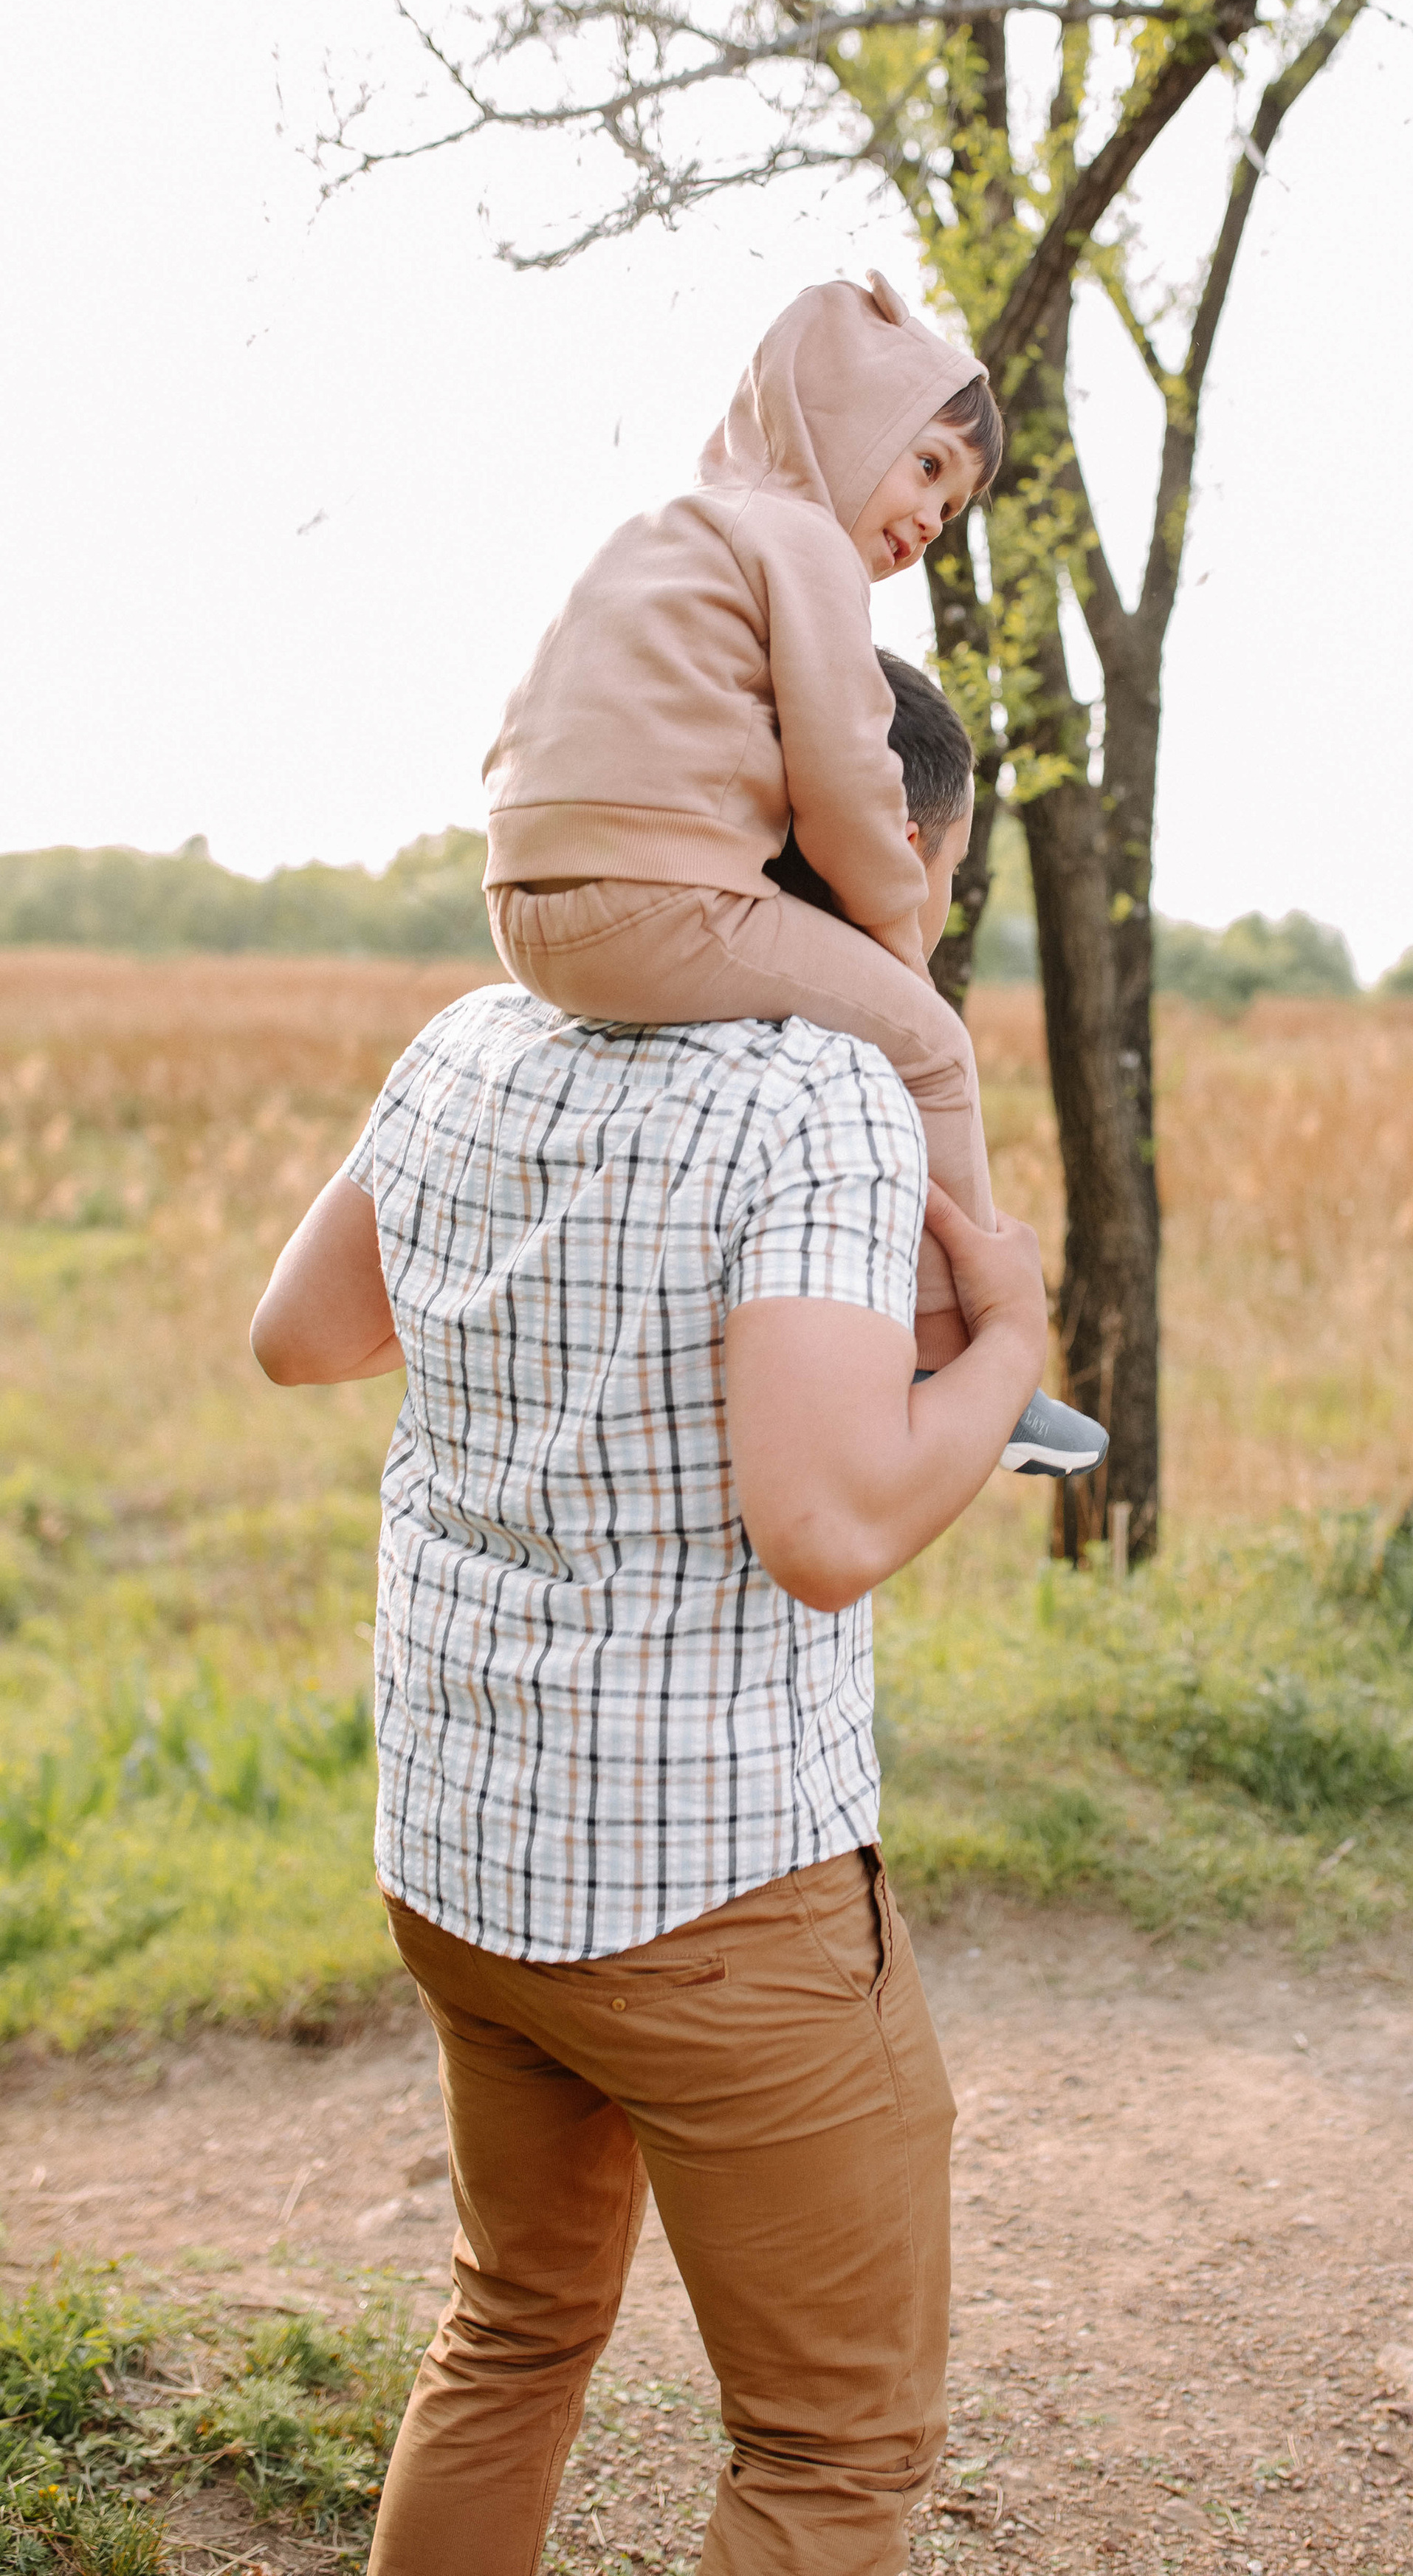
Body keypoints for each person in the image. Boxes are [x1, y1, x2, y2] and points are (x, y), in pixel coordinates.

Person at [247, 721, 1051, 2574]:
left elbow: (303, 1334)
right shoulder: (823, 1092)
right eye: (937, 873)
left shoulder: (471, 1036)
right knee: (831, 2446)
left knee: (512, 2325)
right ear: (885, 851)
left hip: (462, 1859)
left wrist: (560, 1331)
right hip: (711, 1894)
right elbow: (827, 1530)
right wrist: (1006, 1343)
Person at [481, 267, 1104, 1480]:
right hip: (662, 902)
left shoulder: (661, 535)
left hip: (524, 905)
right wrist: (899, 954)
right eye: (926, 467)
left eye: (954, 505)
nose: (932, 520)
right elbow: (848, 773)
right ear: (838, 420)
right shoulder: (803, 543)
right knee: (931, 1048)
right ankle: (951, 1355)